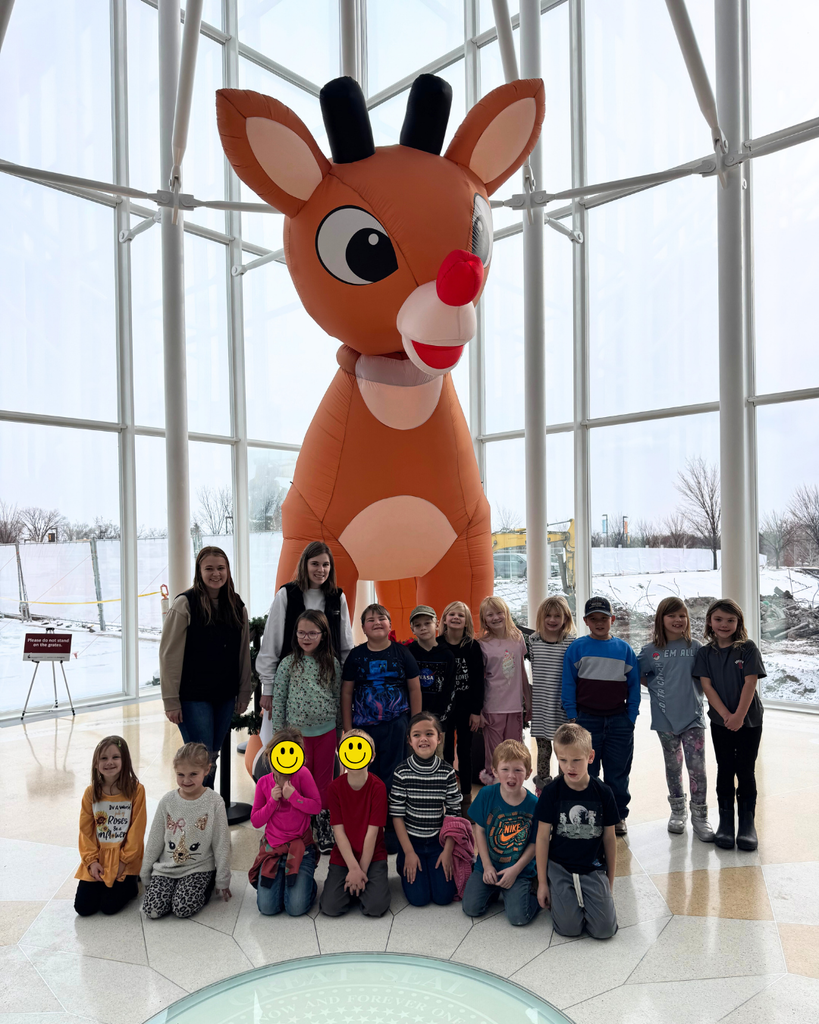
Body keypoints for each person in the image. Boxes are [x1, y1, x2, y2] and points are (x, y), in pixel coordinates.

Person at [159, 547, 252, 788]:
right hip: (193, 698)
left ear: (228, 571)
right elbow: (169, 655)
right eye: (209, 568)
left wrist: (244, 693)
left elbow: (242, 654)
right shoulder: (184, 604)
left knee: (211, 757)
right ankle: (197, 814)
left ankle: (207, 811)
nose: (215, 574)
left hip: (224, 696)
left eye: (220, 568)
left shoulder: (237, 606)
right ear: (199, 571)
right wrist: (171, 700)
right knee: (199, 759)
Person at [256, 541, 354, 760]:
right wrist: (268, 687)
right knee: (286, 752)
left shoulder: (337, 597)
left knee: (326, 758)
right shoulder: (286, 595)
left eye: (326, 565)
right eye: (315, 564)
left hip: (327, 686)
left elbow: (346, 645)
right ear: (304, 565)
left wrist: (348, 686)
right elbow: (271, 641)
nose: (321, 570)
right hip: (291, 687)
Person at [561, 596, 640, 836]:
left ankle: (617, 817)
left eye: (603, 618)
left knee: (617, 773)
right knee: (587, 772)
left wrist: (631, 717)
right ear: (585, 621)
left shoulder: (624, 650)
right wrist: (573, 717)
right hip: (586, 721)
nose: (599, 623)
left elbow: (634, 686)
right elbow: (568, 683)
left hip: (619, 721)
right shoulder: (577, 648)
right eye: (593, 619)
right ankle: (588, 816)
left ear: (612, 620)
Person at [693, 598, 766, 852]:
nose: (724, 625)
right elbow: (707, 686)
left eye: (730, 620)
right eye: (719, 619)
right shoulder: (704, 653)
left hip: (750, 721)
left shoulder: (747, 648)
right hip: (720, 721)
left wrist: (738, 716)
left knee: (745, 769)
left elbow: (750, 683)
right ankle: (726, 823)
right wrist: (726, 715)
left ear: (738, 622)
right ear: (710, 622)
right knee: (725, 768)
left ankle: (747, 824)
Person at [638, 597, 714, 842]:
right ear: (661, 619)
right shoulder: (650, 651)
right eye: (672, 616)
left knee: (697, 769)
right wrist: (658, 688)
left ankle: (700, 816)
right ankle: (677, 811)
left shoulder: (697, 648)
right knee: (673, 768)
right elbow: (638, 675)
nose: (678, 620)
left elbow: (706, 678)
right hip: (665, 721)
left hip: (692, 718)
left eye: (682, 615)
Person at [535, 722, 618, 940]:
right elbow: (543, 838)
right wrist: (543, 883)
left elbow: (609, 839)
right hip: (560, 867)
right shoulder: (551, 792)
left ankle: (583, 900)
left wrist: (609, 881)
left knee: (605, 930)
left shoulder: (604, 793)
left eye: (576, 760)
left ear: (590, 757)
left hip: (592, 868)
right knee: (569, 929)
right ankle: (561, 894)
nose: (569, 767)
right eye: (563, 760)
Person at [268, 610, 342, 853]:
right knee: (297, 780)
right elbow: (279, 700)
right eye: (302, 633)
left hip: (326, 732)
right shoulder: (289, 664)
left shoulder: (332, 663)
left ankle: (322, 825)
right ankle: (301, 826)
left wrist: (340, 730)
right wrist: (279, 735)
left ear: (323, 635)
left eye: (312, 633)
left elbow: (337, 696)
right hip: (295, 737)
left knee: (323, 782)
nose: (306, 637)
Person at [341, 603, 422, 803]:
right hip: (363, 727)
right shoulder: (356, 655)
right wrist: (348, 728)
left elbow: (415, 689)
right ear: (363, 628)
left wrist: (416, 724)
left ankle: (391, 820)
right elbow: (346, 693)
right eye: (370, 620)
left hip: (396, 723)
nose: (377, 622)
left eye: (381, 618)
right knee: (364, 773)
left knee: (394, 774)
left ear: (390, 625)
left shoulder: (402, 653)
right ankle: (369, 817)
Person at [141, 743, 232, 919]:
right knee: (152, 910)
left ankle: (207, 884)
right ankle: (174, 888)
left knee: (182, 909)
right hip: (167, 868)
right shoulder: (167, 801)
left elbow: (222, 843)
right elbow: (155, 838)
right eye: (180, 775)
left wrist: (222, 878)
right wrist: (145, 872)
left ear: (207, 770)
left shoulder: (215, 802)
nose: (186, 780)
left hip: (198, 867)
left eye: (193, 774)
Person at [461, 739, 540, 926]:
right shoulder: (486, 794)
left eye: (518, 770)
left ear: (528, 773)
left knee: (519, 918)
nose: (511, 776)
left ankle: (533, 891)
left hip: (518, 870)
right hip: (488, 865)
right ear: (495, 771)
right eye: (505, 769)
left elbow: (535, 843)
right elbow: (479, 831)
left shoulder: (534, 805)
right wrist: (487, 866)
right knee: (471, 908)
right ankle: (496, 890)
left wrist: (515, 870)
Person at [390, 712, 461, 907]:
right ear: (409, 741)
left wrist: (447, 851)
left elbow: (454, 814)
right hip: (411, 843)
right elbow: (397, 815)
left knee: (443, 897)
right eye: (417, 735)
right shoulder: (401, 772)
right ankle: (403, 861)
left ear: (439, 738)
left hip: (439, 842)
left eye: (429, 734)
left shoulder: (447, 772)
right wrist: (409, 852)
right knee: (418, 899)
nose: (423, 739)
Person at [248, 727, 321, 916]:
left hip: (301, 849)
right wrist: (272, 802)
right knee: (267, 908)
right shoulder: (264, 783)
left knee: (296, 908)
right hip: (274, 849)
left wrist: (294, 797)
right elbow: (256, 821)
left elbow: (316, 807)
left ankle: (307, 882)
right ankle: (284, 878)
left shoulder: (303, 775)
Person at [320, 729, 391, 918]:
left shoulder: (378, 788)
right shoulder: (334, 788)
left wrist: (362, 872)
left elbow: (373, 833)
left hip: (373, 856)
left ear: (371, 756)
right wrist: (352, 868)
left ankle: (358, 885)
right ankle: (353, 886)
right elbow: (339, 832)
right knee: (330, 908)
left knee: (375, 908)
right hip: (344, 856)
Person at [74, 736, 145, 917]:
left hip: (124, 860)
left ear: (125, 760)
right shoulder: (91, 792)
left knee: (109, 907)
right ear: (96, 763)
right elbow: (86, 831)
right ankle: (102, 881)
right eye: (103, 758)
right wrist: (92, 862)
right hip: (99, 858)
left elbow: (136, 832)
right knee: (84, 908)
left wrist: (123, 862)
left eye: (115, 757)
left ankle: (132, 884)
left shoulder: (136, 790)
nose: (109, 762)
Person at [477, 596, 531, 787]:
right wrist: (479, 711)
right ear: (484, 619)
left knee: (514, 754)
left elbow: (522, 674)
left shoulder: (517, 638)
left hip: (515, 707)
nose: (495, 617)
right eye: (489, 614)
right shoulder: (482, 644)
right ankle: (493, 794)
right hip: (492, 708)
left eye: (499, 612)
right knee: (494, 756)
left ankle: (514, 792)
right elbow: (479, 681)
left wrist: (528, 702)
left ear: (506, 613)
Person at [438, 601, 484, 817]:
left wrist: (477, 711)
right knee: (445, 753)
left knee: (464, 753)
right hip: (443, 711)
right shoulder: (437, 645)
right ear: (444, 619)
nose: (456, 618)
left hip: (466, 709)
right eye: (452, 614)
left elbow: (478, 681)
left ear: (467, 622)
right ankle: (448, 797)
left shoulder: (473, 647)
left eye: (461, 615)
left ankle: (466, 798)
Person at [527, 596, 576, 793]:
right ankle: (543, 788)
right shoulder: (533, 641)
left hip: (562, 706)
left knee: (564, 749)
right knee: (543, 750)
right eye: (548, 615)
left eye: (558, 615)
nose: (553, 619)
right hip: (541, 706)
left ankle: (565, 786)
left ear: (566, 618)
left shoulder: (571, 642)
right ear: (541, 617)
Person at [406, 605, 456, 751]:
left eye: (427, 623)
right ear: (412, 629)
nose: (423, 628)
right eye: (418, 625)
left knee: (437, 760)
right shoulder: (408, 654)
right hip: (413, 722)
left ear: (437, 623)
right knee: (413, 761)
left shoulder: (447, 655)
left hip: (438, 723)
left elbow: (450, 690)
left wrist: (438, 720)